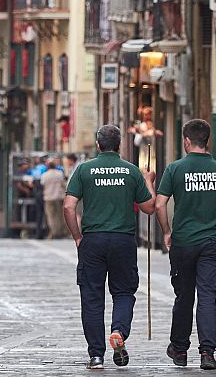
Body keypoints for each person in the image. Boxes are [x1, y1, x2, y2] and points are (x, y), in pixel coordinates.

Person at [63, 125, 156, 370]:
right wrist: (148, 181)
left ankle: (96, 356)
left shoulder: (83, 170)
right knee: (124, 292)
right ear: (120, 145)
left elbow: (69, 206)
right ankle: (119, 332)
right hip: (123, 240)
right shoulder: (131, 171)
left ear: (98, 145)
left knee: (92, 297)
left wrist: (77, 237)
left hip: (92, 240)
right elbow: (149, 207)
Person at [154, 119, 216, 370]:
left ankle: (179, 349)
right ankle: (207, 353)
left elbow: (160, 204)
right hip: (212, 243)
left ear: (186, 141)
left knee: (184, 297)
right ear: (207, 141)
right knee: (207, 298)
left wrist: (167, 232)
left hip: (183, 243)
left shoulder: (175, 169)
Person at [40, 158, 66, 239]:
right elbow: (63, 184)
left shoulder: (45, 175)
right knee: (59, 216)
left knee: (51, 216)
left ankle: (54, 232)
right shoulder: (60, 174)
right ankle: (59, 232)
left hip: (48, 198)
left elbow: (42, 184)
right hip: (58, 197)